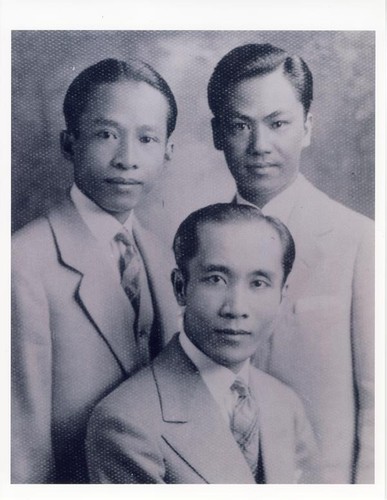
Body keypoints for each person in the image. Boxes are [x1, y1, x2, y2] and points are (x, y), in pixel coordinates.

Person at [207, 43, 374, 483]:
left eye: (278, 124)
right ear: (217, 134)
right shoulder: (197, 245)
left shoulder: (360, 241)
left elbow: (381, 403)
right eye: (240, 126)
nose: (260, 146)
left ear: (307, 127)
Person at [11, 58, 180, 483]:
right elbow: (19, 445)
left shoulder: (165, 257)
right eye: (106, 134)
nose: (127, 159)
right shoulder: (22, 263)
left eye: (146, 139)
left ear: (168, 151)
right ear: (69, 144)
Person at [86, 203, 319, 484]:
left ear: (282, 295)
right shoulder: (126, 422)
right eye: (216, 279)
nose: (236, 308)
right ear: (180, 287)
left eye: (258, 283)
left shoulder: (284, 403)